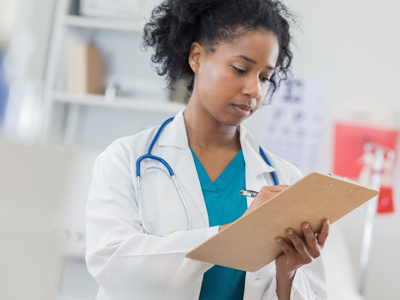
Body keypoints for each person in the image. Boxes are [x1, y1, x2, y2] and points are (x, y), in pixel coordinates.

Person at [85, 0, 329, 299]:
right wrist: (237, 233)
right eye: (240, 69)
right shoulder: (124, 159)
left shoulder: (284, 178)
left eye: (265, 77)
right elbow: (113, 264)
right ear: (197, 57)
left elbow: (313, 293)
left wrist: (287, 273)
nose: (254, 90)